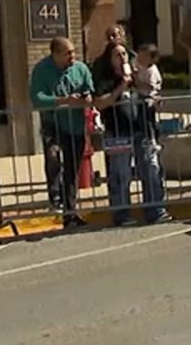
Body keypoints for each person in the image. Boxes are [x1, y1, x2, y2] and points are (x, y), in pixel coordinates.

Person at [93, 41, 169, 225]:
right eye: (117, 55)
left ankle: (155, 210)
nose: (122, 58)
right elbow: (100, 103)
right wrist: (121, 86)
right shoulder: (107, 80)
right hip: (118, 131)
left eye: (124, 55)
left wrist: (153, 98)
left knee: (151, 169)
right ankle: (121, 214)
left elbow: (148, 93)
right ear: (109, 60)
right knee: (121, 174)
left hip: (141, 129)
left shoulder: (136, 75)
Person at [29, 37, 94, 228]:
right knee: (54, 155)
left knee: (72, 168)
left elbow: (88, 87)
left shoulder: (80, 68)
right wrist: (62, 100)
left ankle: (70, 211)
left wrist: (88, 95)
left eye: (73, 52)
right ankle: (55, 197)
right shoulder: (42, 70)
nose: (72, 56)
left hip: (75, 123)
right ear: (55, 54)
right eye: (68, 53)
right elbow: (37, 97)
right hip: (53, 122)